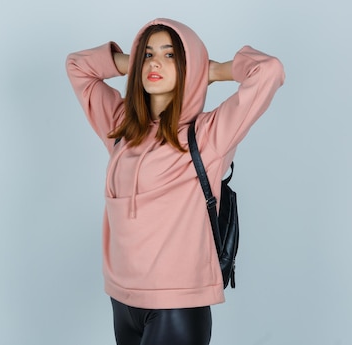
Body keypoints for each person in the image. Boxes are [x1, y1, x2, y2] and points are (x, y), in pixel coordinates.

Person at [66, 18, 285, 345]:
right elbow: (78, 66)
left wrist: (209, 70)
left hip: (177, 306)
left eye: (170, 55)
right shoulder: (121, 128)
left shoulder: (209, 136)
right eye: (149, 54)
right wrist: (134, 60)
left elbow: (269, 71)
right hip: (122, 299)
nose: (155, 62)